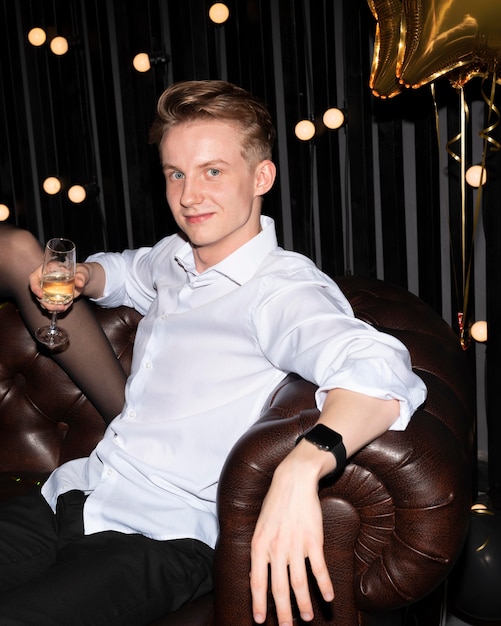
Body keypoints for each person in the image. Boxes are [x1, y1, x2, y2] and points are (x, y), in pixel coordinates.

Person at [0, 80, 426, 626]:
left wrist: (302, 467)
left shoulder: (282, 290)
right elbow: (131, 270)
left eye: (213, 172)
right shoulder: (176, 256)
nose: (189, 195)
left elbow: (381, 368)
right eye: (176, 174)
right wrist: (88, 275)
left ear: (261, 177)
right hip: (75, 492)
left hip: (162, 537)